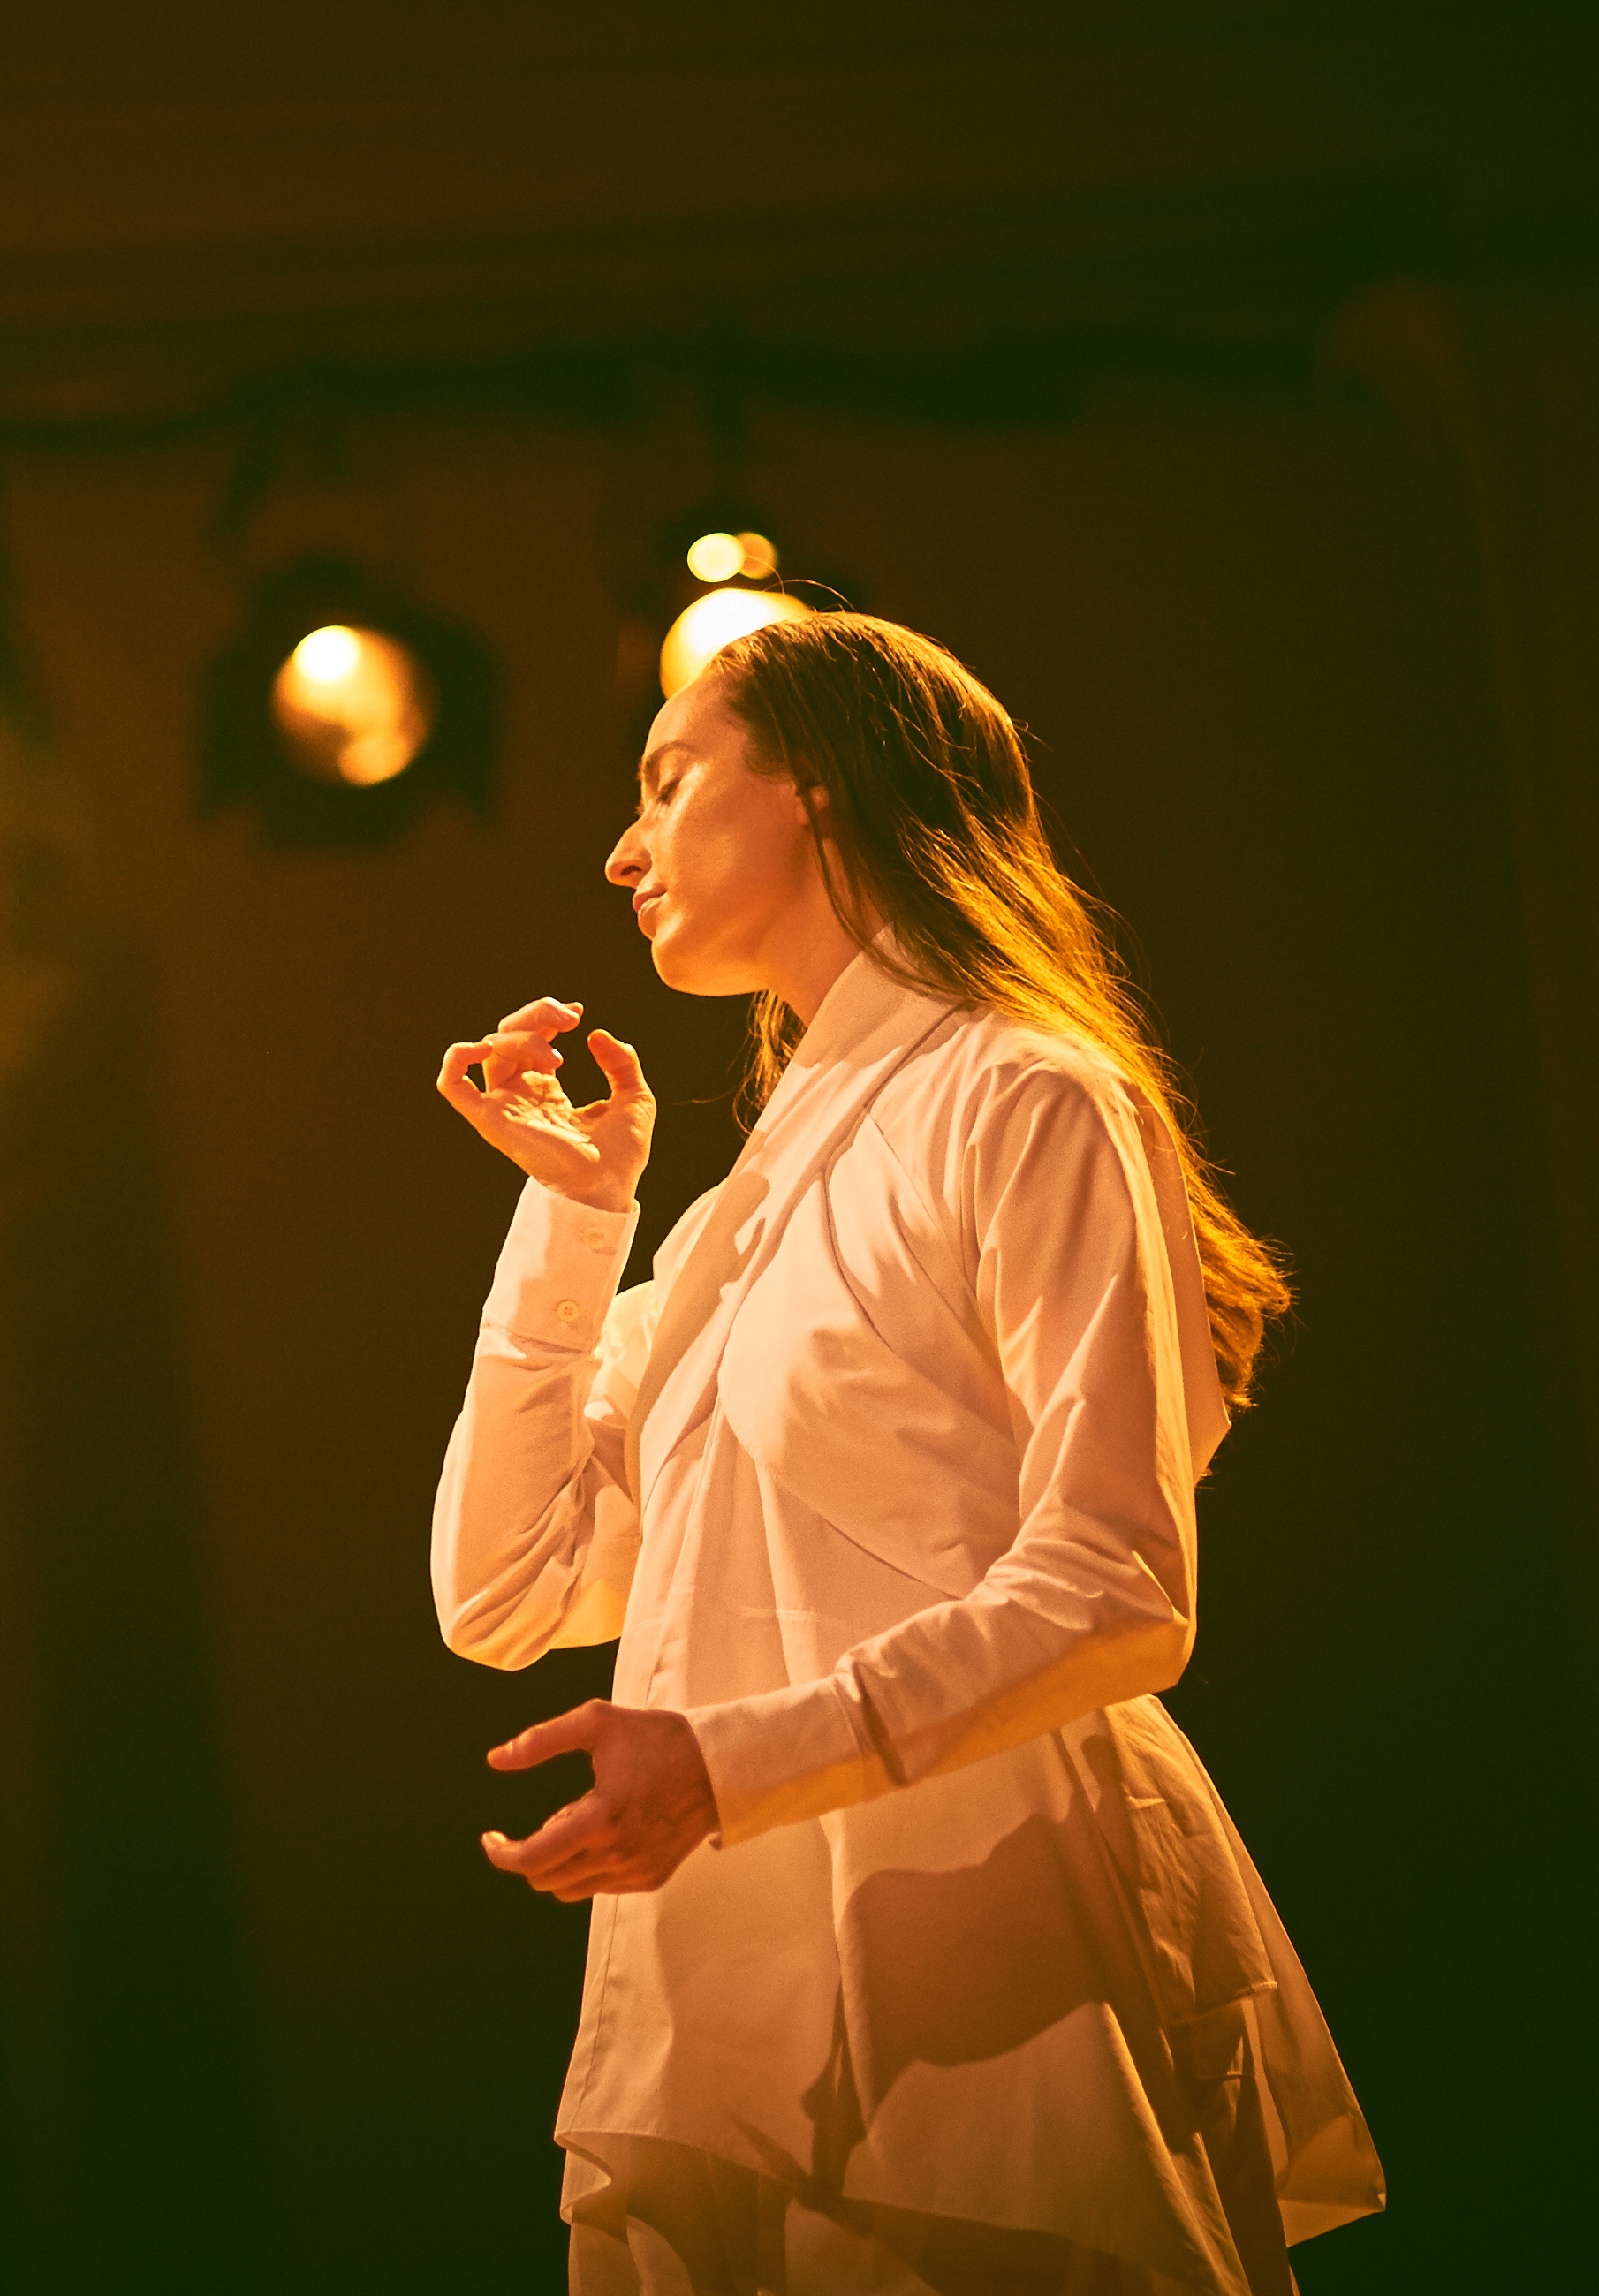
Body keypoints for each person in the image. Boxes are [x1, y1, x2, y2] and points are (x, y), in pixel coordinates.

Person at [431, 612, 1382, 2294]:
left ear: (814, 788)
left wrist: (731, 1764)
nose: (620, 846)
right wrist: (577, 1217)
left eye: (667, 780)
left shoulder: (1027, 1099)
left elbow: (1118, 1589)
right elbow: (503, 1593)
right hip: (733, 1984)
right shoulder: (738, 1213)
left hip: (994, 1960)